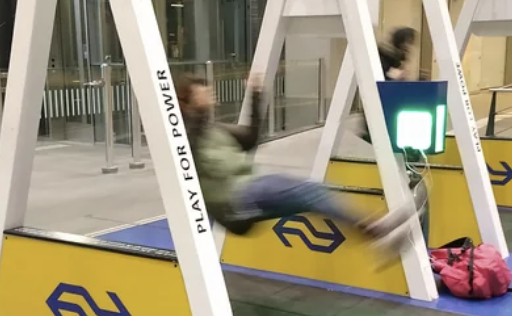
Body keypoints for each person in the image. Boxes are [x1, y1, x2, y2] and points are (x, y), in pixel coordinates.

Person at [177, 74, 421, 247]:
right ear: (187, 103)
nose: (210, 92)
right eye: (202, 91)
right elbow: (190, 130)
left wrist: (255, 95)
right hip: (235, 201)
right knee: (308, 190)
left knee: (313, 193)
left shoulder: (216, 130)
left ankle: (374, 231)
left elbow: (251, 138)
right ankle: (374, 228)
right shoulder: (186, 136)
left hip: (249, 193)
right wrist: (189, 106)